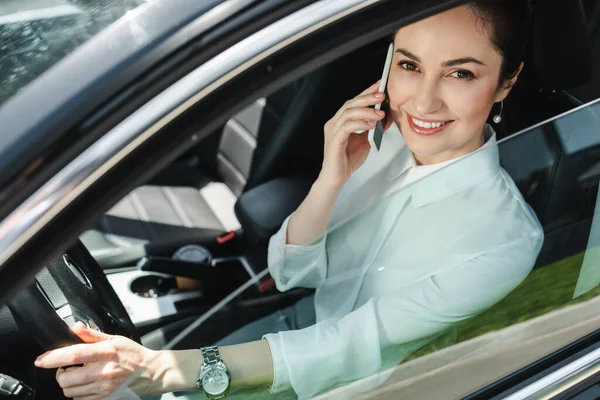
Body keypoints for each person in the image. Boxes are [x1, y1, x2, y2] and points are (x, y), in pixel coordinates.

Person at [34, 1, 544, 399]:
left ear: (506, 82)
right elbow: (293, 272)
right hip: (289, 327)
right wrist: (331, 176)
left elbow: (346, 348)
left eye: (461, 73)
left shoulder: (505, 241)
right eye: (410, 65)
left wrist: (159, 371)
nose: (423, 101)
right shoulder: (384, 145)